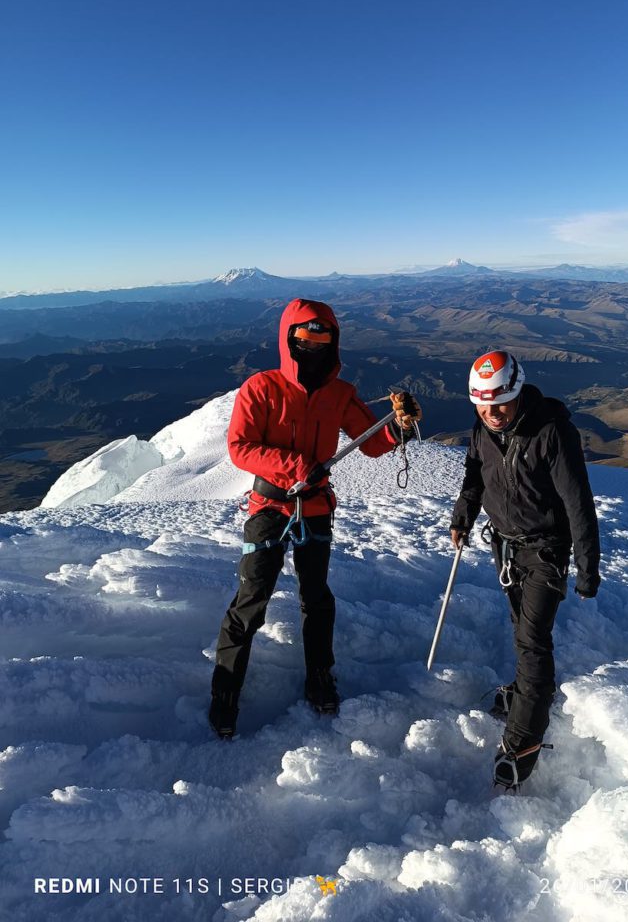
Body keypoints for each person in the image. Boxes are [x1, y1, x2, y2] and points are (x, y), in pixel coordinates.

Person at [209, 298, 421, 738]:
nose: (313, 347)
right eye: (304, 338)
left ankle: (320, 677)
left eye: (322, 339)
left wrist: (399, 426)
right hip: (270, 504)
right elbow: (240, 447)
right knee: (251, 599)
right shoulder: (261, 388)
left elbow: (372, 442)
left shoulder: (339, 393)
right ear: (289, 339)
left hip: (316, 506)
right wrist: (295, 466)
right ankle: (225, 690)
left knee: (317, 597)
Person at [449, 350, 600, 791]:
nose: (492, 413)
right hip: (506, 548)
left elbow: (578, 503)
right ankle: (525, 694)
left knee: (533, 642)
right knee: (522, 629)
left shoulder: (552, 432)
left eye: (500, 403)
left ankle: (523, 743)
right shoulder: (484, 430)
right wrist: (463, 517)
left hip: (547, 551)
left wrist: (587, 568)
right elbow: (474, 475)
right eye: (482, 404)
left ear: (517, 393)